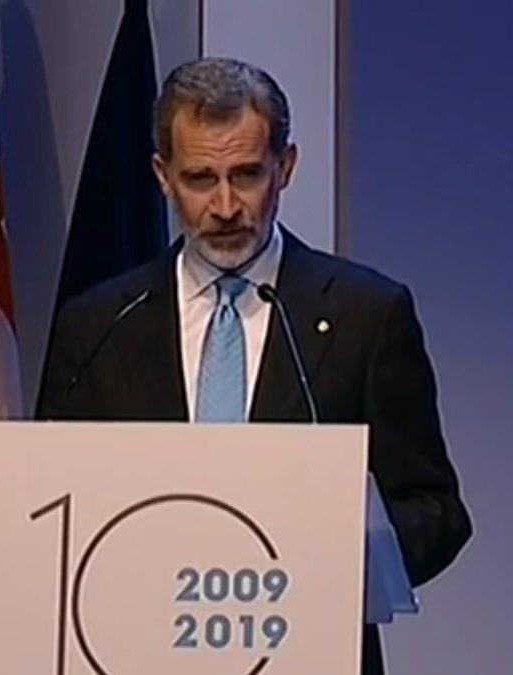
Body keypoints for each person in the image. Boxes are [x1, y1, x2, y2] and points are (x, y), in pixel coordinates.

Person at [37, 57, 471, 675]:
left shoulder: (366, 316)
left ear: (284, 168)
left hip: (312, 654)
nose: (223, 206)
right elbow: (54, 501)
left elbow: (435, 509)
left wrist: (345, 557)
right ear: (162, 176)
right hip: (133, 651)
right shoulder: (100, 325)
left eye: (246, 175)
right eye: (198, 178)